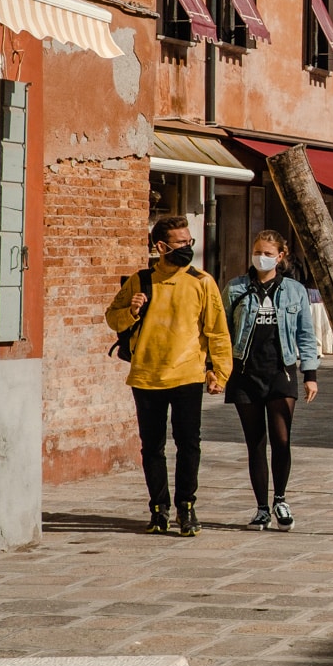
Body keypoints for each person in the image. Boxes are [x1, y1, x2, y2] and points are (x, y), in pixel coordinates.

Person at [105, 216, 232, 536]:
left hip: (188, 374)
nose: (189, 247)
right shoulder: (140, 281)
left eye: (190, 242)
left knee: (190, 444)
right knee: (152, 446)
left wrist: (220, 373)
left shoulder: (202, 282)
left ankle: (186, 507)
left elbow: (217, 331)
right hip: (146, 376)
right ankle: (158, 508)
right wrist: (131, 310)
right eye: (182, 243)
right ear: (161, 247)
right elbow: (113, 319)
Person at [225, 231, 320, 531]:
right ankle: (261, 508)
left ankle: (280, 499)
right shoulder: (235, 288)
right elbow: (221, 331)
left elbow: (306, 333)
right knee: (255, 442)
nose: (260, 257)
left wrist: (311, 375)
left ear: (280, 256)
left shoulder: (294, 291)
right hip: (245, 372)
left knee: (281, 438)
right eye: (257, 251)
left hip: (281, 371)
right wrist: (215, 367)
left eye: (267, 252)